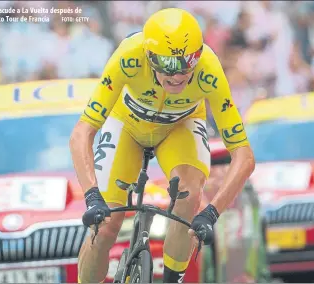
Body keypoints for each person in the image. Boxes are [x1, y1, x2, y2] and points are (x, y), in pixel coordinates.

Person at [70, 8, 255, 283]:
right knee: (106, 225)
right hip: (127, 126)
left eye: (188, 62)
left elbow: (243, 155)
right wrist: (92, 196)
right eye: (168, 65)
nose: (178, 75)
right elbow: (82, 133)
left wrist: (211, 212)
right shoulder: (128, 56)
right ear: (148, 56)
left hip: (179, 128)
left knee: (189, 195)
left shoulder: (209, 71)